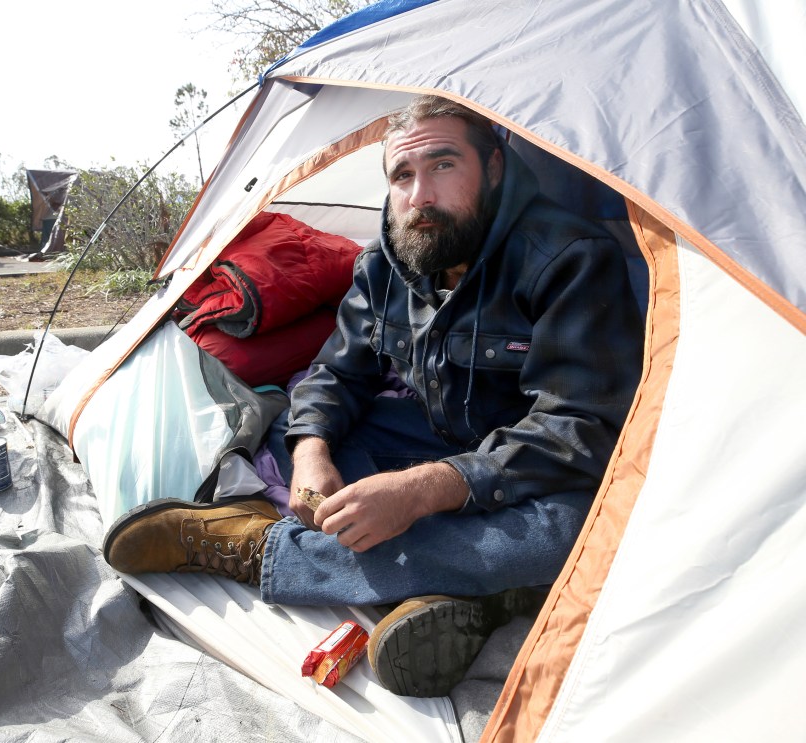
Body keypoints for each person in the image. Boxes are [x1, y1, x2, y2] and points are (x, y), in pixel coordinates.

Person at [103, 95, 644, 697]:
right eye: (402, 176)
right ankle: (472, 588)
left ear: (493, 168)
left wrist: (426, 489)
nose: (420, 196)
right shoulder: (388, 261)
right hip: (426, 434)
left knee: (578, 536)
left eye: (443, 166)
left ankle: (259, 550)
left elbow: (581, 425)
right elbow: (336, 373)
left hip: (532, 469)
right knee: (300, 447)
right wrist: (311, 449)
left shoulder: (568, 258)